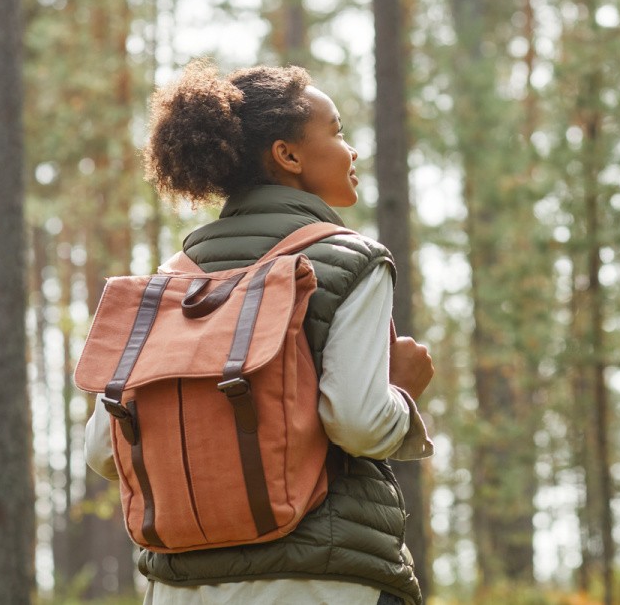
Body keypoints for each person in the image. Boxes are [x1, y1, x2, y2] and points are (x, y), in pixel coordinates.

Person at [84, 61, 435, 605]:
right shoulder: (349, 260)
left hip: (179, 587)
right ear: (287, 155)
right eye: (338, 132)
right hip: (322, 581)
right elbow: (360, 423)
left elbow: (103, 451)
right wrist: (403, 392)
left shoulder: (169, 282)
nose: (352, 150)